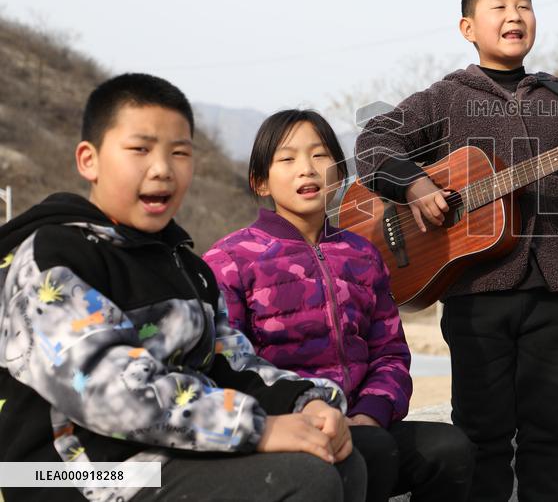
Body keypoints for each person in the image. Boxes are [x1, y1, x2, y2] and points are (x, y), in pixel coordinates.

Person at [0, 74, 365, 502]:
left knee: (349, 456)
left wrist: (306, 404)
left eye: (179, 152)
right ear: (89, 160)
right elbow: (107, 388)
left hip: (165, 452)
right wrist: (257, 428)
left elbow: (232, 363)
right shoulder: (53, 254)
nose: (162, 169)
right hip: (65, 473)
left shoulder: (188, 266)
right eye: (140, 149)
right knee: (303, 477)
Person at [353, 0, 558, 502]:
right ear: (468, 27)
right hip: (474, 290)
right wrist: (414, 186)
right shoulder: (445, 99)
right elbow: (374, 141)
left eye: (524, 5)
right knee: (482, 432)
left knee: (553, 428)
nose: (514, 15)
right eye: (499, 6)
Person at [204, 109, 474, 502]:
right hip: (283, 426)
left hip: (362, 422)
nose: (306, 170)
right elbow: (227, 367)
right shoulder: (231, 259)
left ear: (340, 173)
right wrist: (307, 414)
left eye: (319, 155)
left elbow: (390, 353)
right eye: (288, 158)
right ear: (260, 182)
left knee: (450, 451)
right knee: (372, 452)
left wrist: (368, 414)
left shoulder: (361, 254)